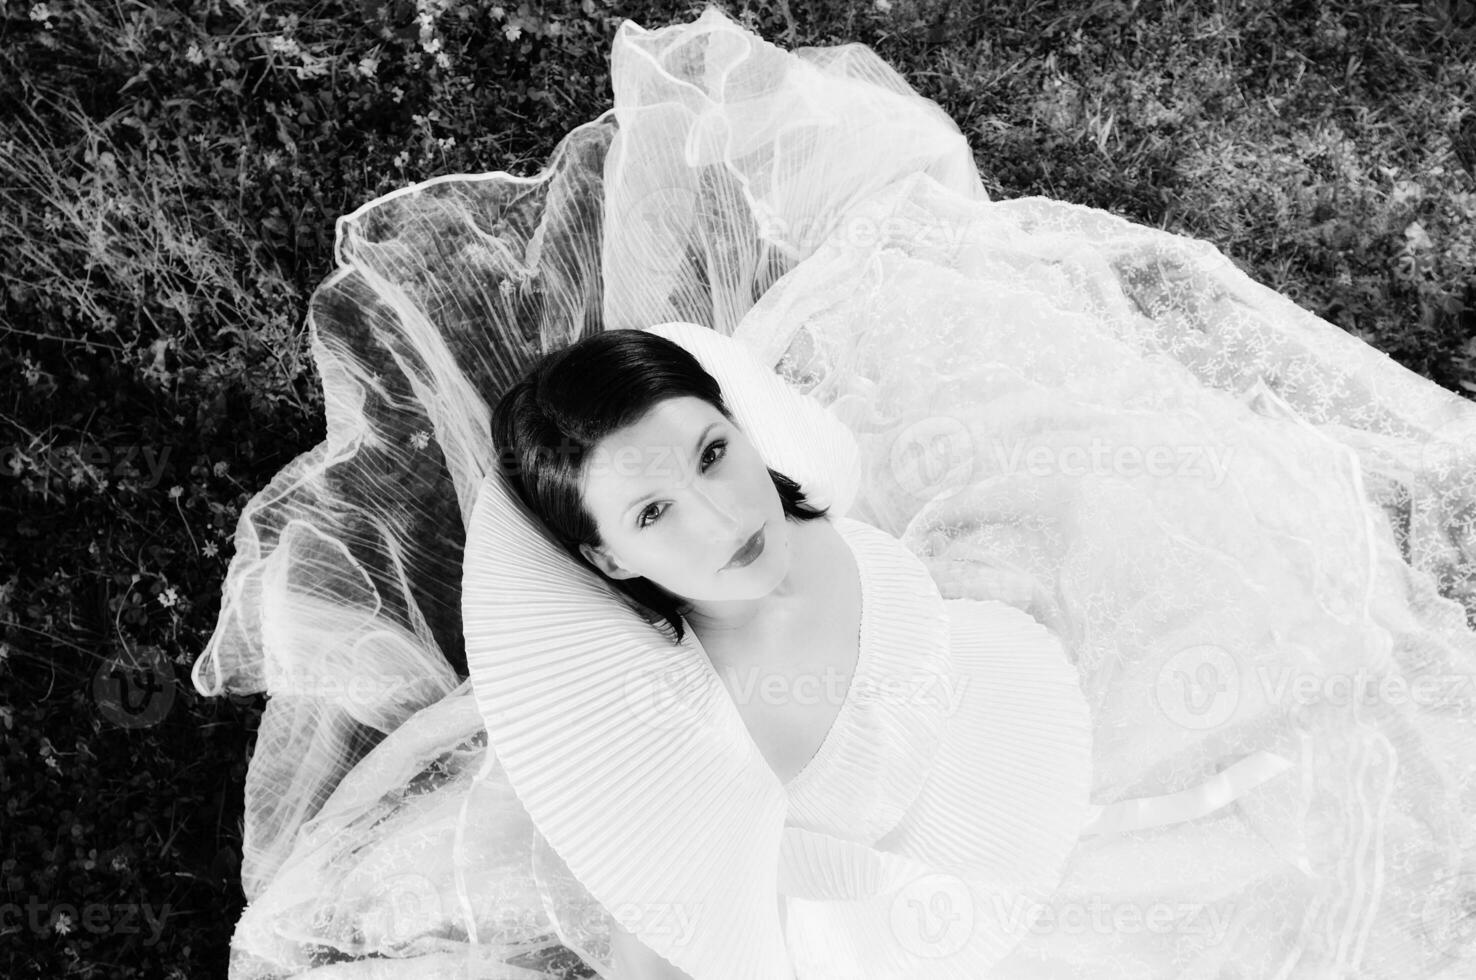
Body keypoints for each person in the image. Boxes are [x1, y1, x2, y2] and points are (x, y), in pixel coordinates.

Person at [193, 6, 1476, 979]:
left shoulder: (844, 492)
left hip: (1030, 720)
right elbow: (809, 925)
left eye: (709, 453)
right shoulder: (697, 733)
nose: (717, 516)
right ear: (617, 565)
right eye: (652, 517)